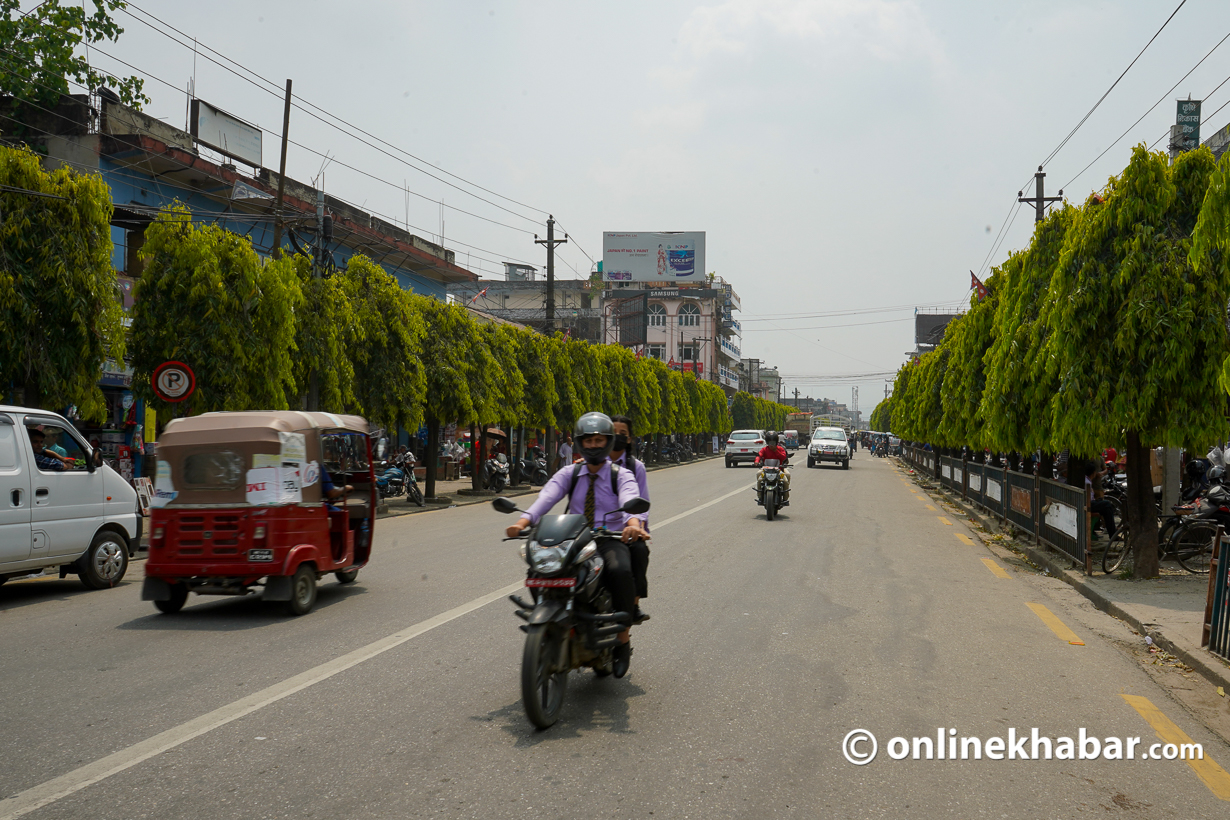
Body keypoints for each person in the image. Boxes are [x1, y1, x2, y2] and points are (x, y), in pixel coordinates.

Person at [505, 412, 647, 678]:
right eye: (588, 440)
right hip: (574, 538)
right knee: (539, 571)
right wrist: (523, 522)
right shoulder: (569, 473)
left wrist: (633, 524)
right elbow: (547, 497)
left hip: (608, 538)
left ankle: (622, 640)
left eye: (598, 440)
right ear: (579, 442)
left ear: (608, 441)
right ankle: (552, 622)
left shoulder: (622, 474)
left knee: (620, 571)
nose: (593, 445)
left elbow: (632, 498)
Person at [610, 414, 651, 624]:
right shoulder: (591, 463)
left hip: (626, 530)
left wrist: (638, 527)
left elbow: (641, 503)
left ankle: (632, 605)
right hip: (595, 529)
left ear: (629, 439)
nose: (617, 437)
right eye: (613, 433)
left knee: (639, 552)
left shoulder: (636, 468)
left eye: (622, 434)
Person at [754, 431, 791, 502]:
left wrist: (776, 451)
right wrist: (756, 461)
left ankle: (785, 498)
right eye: (770, 443)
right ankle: (760, 496)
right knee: (759, 478)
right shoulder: (764, 449)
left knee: (786, 480)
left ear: (776, 442)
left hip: (779, 470)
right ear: (767, 442)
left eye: (773, 443)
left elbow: (784, 457)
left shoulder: (780, 449)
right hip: (766, 470)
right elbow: (759, 455)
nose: (771, 445)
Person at [1085, 462, 1117, 540]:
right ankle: (1112, 534)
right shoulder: (1087, 482)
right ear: (1093, 473)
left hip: (1089, 502)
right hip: (1087, 504)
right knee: (1107, 504)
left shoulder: (1087, 481)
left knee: (1107, 509)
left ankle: (1113, 533)